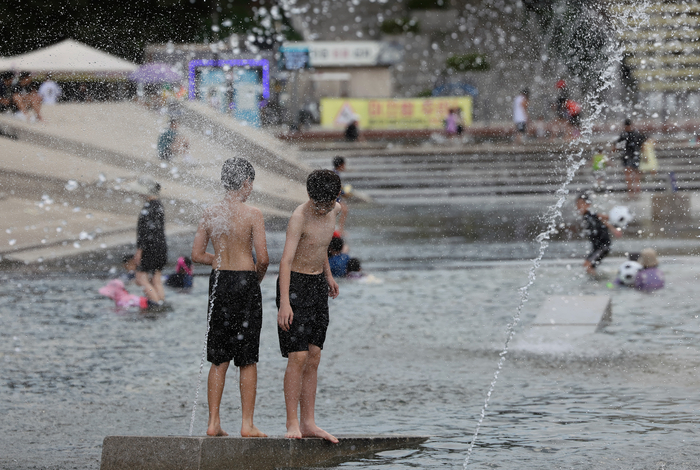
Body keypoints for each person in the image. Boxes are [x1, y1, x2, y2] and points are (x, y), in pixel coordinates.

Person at [191, 157, 269, 438]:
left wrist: (220, 259)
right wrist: (253, 280)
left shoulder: (210, 213)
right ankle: (247, 424)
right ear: (246, 184)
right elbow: (263, 259)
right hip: (245, 281)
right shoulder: (253, 213)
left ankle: (213, 423)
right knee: (247, 358)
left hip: (219, 281)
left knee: (218, 356)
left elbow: (197, 255)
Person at [276, 169, 341, 443]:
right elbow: (286, 262)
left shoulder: (334, 210)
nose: (323, 209)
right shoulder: (299, 218)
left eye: (327, 204)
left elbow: (320, 247)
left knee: (314, 355)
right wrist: (284, 303)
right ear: (309, 197)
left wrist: (328, 275)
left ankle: (309, 422)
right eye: (318, 204)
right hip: (294, 285)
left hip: (316, 285)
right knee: (298, 356)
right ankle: (292, 423)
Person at [135, 180, 167, 305]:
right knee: (156, 280)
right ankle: (162, 304)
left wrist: (139, 250)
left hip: (150, 248)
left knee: (141, 279)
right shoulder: (159, 205)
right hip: (161, 247)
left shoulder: (148, 207)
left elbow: (145, 232)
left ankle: (155, 305)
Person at [576, 193, 621, 275]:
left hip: (603, 246)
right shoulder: (586, 216)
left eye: (581, 203)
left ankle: (599, 281)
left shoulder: (591, 215)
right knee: (589, 266)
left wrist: (614, 229)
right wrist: (613, 229)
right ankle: (596, 279)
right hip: (597, 246)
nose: (578, 206)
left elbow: (604, 218)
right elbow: (602, 219)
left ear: (588, 204)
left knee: (587, 265)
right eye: (577, 204)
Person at [614, 118, 646, 198]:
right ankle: (631, 191)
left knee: (636, 175)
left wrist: (644, 155)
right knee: (629, 174)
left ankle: (637, 190)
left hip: (634, 155)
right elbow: (617, 144)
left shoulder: (634, 134)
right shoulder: (625, 134)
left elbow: (642, 144)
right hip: (628, 156)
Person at [332, 156, 349, 235]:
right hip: (335, 197)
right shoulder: (336, 174)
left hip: (335, 196)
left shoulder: (335, 172)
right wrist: (344, 193)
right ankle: (340, 230)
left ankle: (339, 229)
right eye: (344, 164)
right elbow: (337, 187)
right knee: (344, 210)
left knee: (341, 211)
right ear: (341, 165)